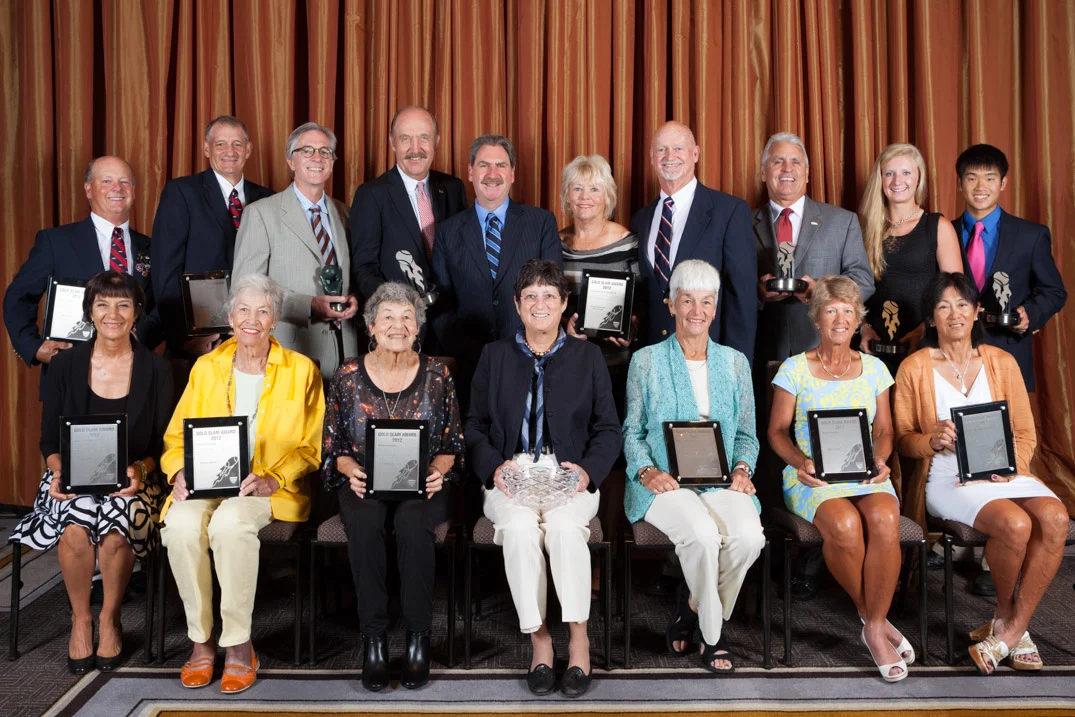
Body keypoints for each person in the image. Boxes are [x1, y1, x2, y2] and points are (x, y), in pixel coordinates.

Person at [893, 271, 1068, 675]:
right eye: (942, 306)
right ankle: (1009, 620)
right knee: (1015, 523)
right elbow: (903, 440)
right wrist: (931, 440)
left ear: (976, 313)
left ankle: (1008, 631)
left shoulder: (1002, 362)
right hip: (947, 478)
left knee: (1057, 518)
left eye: (962, 305)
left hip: (1003, 474)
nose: (953, 314)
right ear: (931, 318)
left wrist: (1012, 471)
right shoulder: (914, 367)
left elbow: (1025, 433)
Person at [159, 274, 324, 693]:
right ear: (230, 316)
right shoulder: (207, 368)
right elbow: (176, 437)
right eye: (244, 310)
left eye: (263, 311)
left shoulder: (300, 371)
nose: (252, 319)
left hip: (265, 487)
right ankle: (201, 642)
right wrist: (178, 473)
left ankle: (237, 645)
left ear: (274, 320)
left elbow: (313, 445)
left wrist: (275, 478)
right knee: (179, 526)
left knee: (229, 525)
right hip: (205, 482)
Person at [466, 260, 621, 697]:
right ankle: (539, 641)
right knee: (516, 529)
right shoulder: (493, 356)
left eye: (549, 296)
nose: (539, 304)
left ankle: (578, 640)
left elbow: (608, 428)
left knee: (563, 529)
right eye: (530, 296)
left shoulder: (587, 356)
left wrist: (587, 471)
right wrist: (494, 467)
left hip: (568, 471)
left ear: (564, 304)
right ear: (517, 305)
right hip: (510, 470)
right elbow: (474, 425)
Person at [9, 271, 173, 674]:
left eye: (123, 305)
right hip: (71, 476)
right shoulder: (65, 365)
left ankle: (109, 618)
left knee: (117, 527)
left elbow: (163, 444)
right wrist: (58, 470)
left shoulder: (158, 370)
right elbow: (49, 441)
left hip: (134, 476)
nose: (112, 314)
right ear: (89, 312)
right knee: (75, 528)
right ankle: (81, 619)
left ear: (137, 313)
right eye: (102, 304)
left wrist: (139, 469)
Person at [622, 259, 765, 674]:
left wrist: (742, 469)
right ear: (671, 304)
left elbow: (746, 435)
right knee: (702, 536)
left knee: (748, 538)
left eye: (706, 301)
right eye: (687, 300)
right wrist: (647, 472)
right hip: (665, 483)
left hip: (722, 482)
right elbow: (631, 432)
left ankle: (692, 607)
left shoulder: (735, 363)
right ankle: (714, 635)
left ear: (716, 307)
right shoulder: (645, 361)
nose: (696, 311)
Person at [321, 281, 464, 691]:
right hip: (364, 480)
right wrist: (350, 470)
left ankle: (419, 638)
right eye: (387, 316)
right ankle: (375, 641)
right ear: (370, 325)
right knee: (364, 526)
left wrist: (438, 468)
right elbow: (334, 445)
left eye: (407, 317)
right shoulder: (348, 375)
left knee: (412, 525)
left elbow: (452, 442)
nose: (397, 325)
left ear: (418, 327)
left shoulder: (438, 375)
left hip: (423, 483)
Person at [767, 275, 911, 683]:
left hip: (866, 471)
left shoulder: (876, 369)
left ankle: (873, 624)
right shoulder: (794, 369)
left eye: (848, 310)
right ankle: (876, 624)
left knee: (885, 521)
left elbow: (885, 431)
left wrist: (881, 460)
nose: (841, 318)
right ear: (816, 317)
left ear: (858, 317)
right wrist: (800, 461)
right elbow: (776, 432)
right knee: (846, 525)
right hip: (812, 475)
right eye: (831, 309)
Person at [4, 156, 159, 396]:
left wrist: (140, 339)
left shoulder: (152, 247)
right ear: (89, 189)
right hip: (71, 377)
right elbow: (18, 297)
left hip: (135, 378)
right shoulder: (56, 242)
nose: (117, 188)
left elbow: (164, 304)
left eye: (124, 182)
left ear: (134, 190)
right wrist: (34, 347)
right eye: (106, 181)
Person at [432, 134, 562, 404]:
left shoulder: (541, 223)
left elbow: (552, 296)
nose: (492, 174)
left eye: (501, 165)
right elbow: (442, 303)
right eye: (483, 165)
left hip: (532, 362)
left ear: (512, 173)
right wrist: (469, 352)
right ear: (470, 172)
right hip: (469, 366)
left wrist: (533, 348)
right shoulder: (447, 231)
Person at [232, 121, 359, 381]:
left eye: (325, 152)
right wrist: (308, 305)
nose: (317, 158)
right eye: (307, 150)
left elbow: (352, 275)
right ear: (291, 161)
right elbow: (244, 290)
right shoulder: (261, 214)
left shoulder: (345, 213)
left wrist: (354, 298)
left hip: (345, 349)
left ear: (332, 162)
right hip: (291, 350)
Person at [151, 115, 273, 361]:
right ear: (206, 149)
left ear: (248, 149)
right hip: (200, 342)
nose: (230, 151)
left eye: (237, 144)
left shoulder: (268, 199)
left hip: (257, 337)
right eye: (220, 144)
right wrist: (185, 339)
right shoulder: (182, 192)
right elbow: (165, 273)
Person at [631, 122, 755, 358]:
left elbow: (742, 298)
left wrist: (737, 368)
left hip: (710, 356)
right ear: (651, 157)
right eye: (661, 150)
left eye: (679, 148)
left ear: (695, 153)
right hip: (653, 358)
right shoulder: (640, 219)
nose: (670, 157)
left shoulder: (729, 211)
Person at [950, 144, 1066, 393]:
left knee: (1009, 431)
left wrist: (1028, 314)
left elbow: (1054, 291)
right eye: (972, 178)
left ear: (1003, 183)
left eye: (990, 178)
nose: (980, 187)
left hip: (1009, 353)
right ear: (960, 184)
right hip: (952, 357)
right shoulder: (943, 233)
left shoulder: (1031, 235)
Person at [754, 132, 874, 363]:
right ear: (763, 172)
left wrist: (821, 291)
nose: (787, 169)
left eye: (795, 162)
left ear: (807, 174)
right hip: (761, 349)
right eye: (778, 161)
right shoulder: (742, 222)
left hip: (823, 349)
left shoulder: (843, 221)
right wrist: (758, 293)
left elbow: (864, 282)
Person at [350, 106, 467, 317]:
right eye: (405, 139)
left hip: (453, 323)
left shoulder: (453, 187)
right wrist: (394, 308)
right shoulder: (371, 195)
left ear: (437, 141)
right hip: (400, 327)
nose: (416, 149)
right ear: (392, 142)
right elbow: (364, 268)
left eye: (424, 138)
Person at [857, 143, 962, 369]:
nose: (897, 181)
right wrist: (863, 328)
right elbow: (849, 288)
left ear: (918, 178)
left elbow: (955, 293)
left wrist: (924, 329)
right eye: (889, 173)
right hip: (871, 350)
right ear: (880, 179)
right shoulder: (864, 228)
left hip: (926, 346)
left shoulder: (937, 226)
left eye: (906, 173)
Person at [559, 154, 639, 418]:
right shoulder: (556, 242)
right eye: (577, 188)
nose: (585, 196)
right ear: (567, 195)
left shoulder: (627, 242)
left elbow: (642, 303)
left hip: (616, 363)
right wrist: (564, 327)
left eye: (595, 188)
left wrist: (631, 328)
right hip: (567, 360)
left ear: (607, 196)